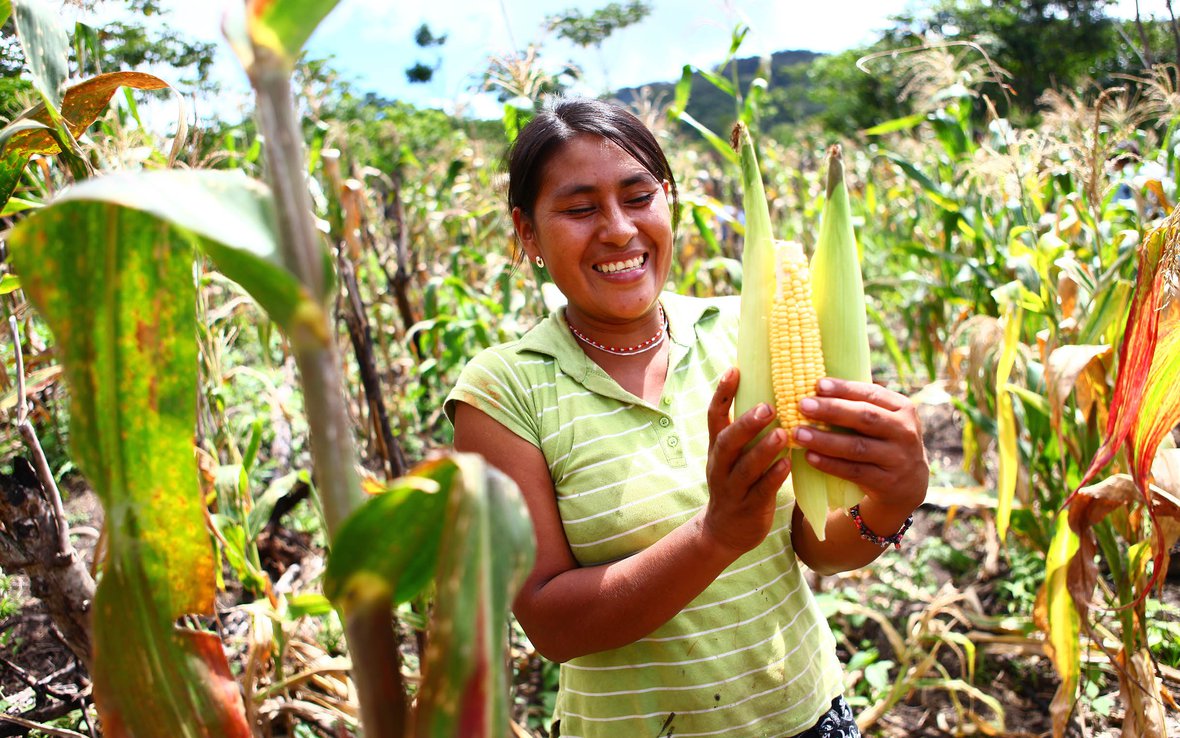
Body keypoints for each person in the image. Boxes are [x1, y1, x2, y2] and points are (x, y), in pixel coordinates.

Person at [445, 96, 929, 738]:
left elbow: (815, 543)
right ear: (527, 232)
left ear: (669, 201)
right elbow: (551, 626)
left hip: (807, 718)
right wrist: (717, 533)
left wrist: (893, 499)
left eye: (638, 197)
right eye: (580, 208)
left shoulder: (742, 330)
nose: (618, 230)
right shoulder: (504, 389)